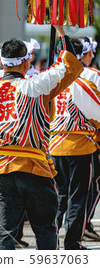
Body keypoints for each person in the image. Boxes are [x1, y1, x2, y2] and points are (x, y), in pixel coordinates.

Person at [0, 25, 83, 250]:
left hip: (0, 169)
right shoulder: (37, 85)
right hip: (33, 167)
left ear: (0, 60)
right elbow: (71, 66)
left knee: (4, 233)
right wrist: (62, 33)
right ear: (27, 62)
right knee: (45, 228)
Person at [49, 36, 100, 249]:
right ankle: (72, 242)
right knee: (78, 197)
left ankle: (51, 240)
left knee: (59, 196)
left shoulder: (49, 78)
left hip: (54, 144)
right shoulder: (85, 79)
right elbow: (96, 112)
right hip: (80, 144)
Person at [79, 37, 100, 241]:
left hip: (53, 139)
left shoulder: (51, 74)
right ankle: (82, 223)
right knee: (91, 186)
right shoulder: (93, 75)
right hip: (86, 139)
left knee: (62, 190)